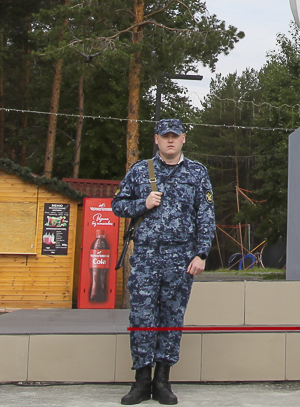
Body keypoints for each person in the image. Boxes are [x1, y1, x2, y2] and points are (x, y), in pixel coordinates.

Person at [111, 119, 215, 405]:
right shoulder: (139, 171)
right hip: (145, 257)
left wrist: (202, 253)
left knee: (171, 318)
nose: (170, 141)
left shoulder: (196, 173)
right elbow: (117, 204)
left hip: (181, 259)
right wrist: (141, 204)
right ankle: (142, 382)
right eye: (165, 136)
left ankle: (163, 381)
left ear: (183, 139)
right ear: (156, 140)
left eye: (175, 136)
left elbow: (205, 215)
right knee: (142, 317)